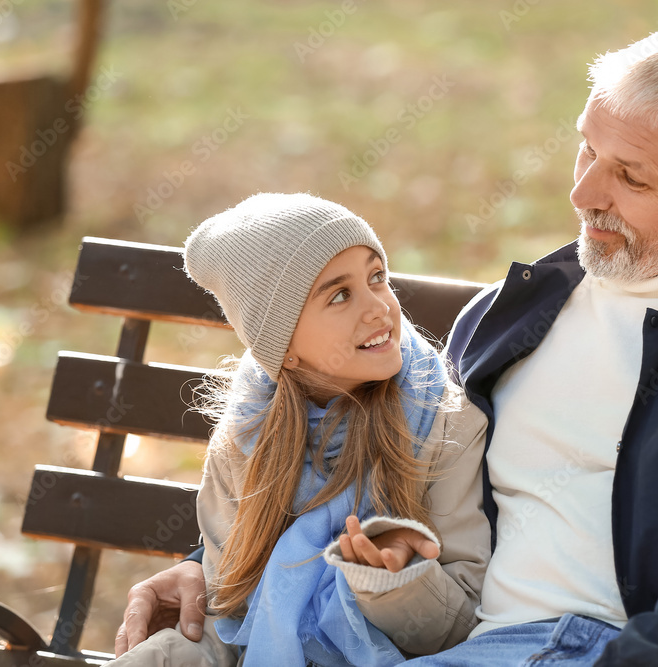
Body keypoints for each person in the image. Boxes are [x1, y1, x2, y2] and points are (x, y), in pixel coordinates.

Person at [117, 26, 658, 666]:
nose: (585, 192)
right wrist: (211, 562)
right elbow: (361, 448)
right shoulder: (518, 311)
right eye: (586, 149)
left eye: (629, 175)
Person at [109, 193, 489, 666]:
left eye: (377, 277)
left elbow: (469, 623)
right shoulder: (246, 437)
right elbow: (234, 617)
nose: (379, 309)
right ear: (283, 345)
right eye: (340, 295)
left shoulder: (445, 425)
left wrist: (396, 578)